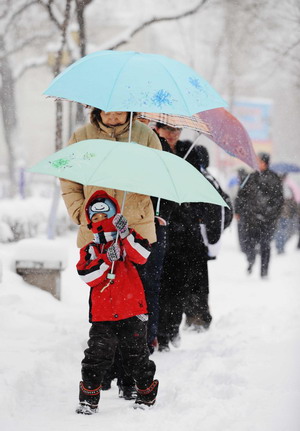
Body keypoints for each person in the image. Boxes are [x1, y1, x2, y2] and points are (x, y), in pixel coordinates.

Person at [75, 190, 159, 414]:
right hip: (103, 314)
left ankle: (146, 392)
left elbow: (142, 254)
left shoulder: (125, 241)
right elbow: (88, 276)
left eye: (106, 216)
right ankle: (88, 398)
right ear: (90, 222)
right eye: (96, 218)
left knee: (136, 355)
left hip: (131, 309)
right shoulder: (91, 249)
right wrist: (105, 260)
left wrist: (125, 232)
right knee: (96, 355)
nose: (101, 221)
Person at [157, 140, 232, 350]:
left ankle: (179, 327)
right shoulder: (161, 163)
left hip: (188, 245)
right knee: (174, 289)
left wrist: (207, 233)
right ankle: (175, 327)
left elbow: (222, 210)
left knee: (177, 289)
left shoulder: (201, 179)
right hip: (173, 241)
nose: (173, 135)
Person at [234, 152, 284, 278]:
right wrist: (238, 211)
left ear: (265, 162)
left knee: (265, 245)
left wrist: (271, 215)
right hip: (250, 219)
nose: (257, 163)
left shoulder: (274, 178)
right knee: (248, 244)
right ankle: (251, 259)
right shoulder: (250, 177)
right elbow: (241, 195)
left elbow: (278, 200)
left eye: (259, 161)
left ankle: (264, 271)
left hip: (268, 220)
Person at [274, 174, 298, 254]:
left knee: (279, 231)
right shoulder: (287, 187)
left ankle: (279, 246)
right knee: (283, 231)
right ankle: (280, 246)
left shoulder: (277, 186)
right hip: (285, 214)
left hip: (280, 214)